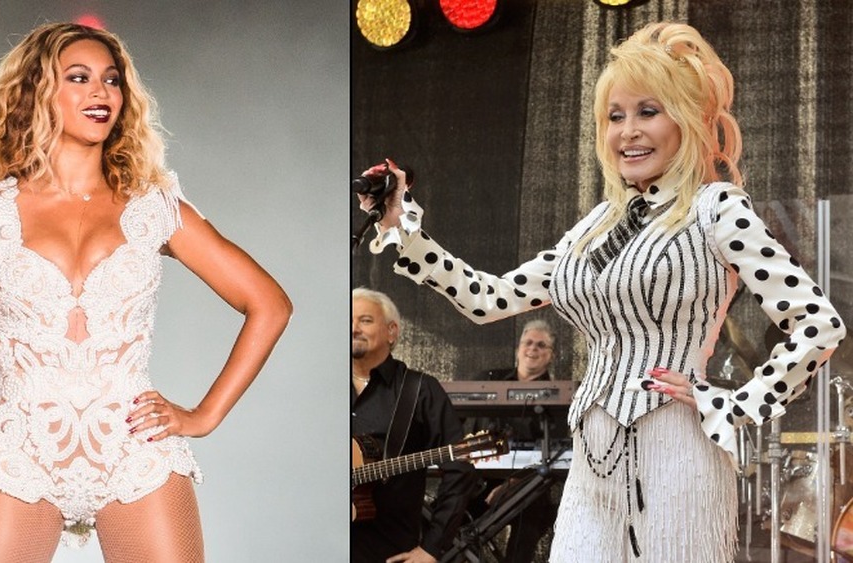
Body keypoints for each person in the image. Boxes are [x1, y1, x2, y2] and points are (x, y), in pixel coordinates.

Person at [359, 22, 846, 562]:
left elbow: (818, 324)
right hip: (592, 457)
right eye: (616, 117)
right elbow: (487, 299)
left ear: (684, 120)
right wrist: (404, 228)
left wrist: (734, 405)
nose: (629, 131)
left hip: (676, 450)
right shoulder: (596, 224)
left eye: (648, 111)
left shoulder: (717, 209)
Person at [0, 22, 292, 563]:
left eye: (112, 80)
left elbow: (270, 304)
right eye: (79, 77)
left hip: (134, 452)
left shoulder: (153, 207)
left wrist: (203, 416)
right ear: (39, 92)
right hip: (20, 450)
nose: (101, 93)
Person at [352, 287, 477, 563]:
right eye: (348, 320)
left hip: (390, 551)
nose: (353, 328)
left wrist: (432, 547)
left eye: (365, 320)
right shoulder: (321, 390)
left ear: (392, 331)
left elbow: (460, 466)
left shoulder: (419, 390)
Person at [470, 320, 565, 563]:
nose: (533, 349)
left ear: (551, 355)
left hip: (527, 487)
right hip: (478, 481)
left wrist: (510, 486)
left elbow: (553, 454)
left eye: (541, 345)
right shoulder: (490, 379)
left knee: (531, 518)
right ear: (518, 348)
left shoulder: (557, 395)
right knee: (444, 513)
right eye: (528, 343)